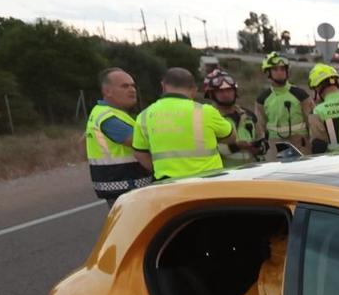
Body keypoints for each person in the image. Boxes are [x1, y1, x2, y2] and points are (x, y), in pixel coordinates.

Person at [135, 67, 245, 179]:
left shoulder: (143, 116)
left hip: (168, 185)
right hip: (207, 182)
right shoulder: (206, 112)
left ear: (163, 86)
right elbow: (231, 137)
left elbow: (140, 154)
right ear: (194, 89)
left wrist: (160, 171)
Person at [83, 66, 152, 206]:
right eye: (125, 86)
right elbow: (139, 141)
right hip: (125, 188)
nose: (132, 90)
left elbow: (82, 142)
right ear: (107, 91)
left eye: (133, 86)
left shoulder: (104, 113)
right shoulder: (109, 118)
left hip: (121, 187)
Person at [204, 69, 263, 165]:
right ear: (211, 94)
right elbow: (207, 150)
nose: (226, 94)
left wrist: (259, 147)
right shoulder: (208, 118)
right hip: (225, 175)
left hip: (251, 172)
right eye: (220, 91)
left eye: (229, 90)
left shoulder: (248, 116)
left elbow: (261, 139)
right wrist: (236, 147)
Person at [257, 52, 311, 155]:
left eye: (282, 69)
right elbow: (260, 127)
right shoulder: (262, 99)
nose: (279, 72)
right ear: (268, 72)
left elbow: (311, 123)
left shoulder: (300, 94)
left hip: (301, 145)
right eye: (275, 69)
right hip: (274, 148)